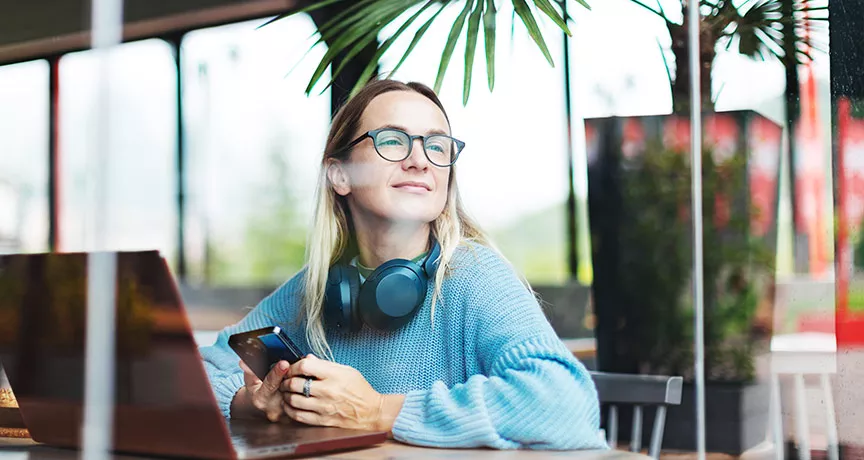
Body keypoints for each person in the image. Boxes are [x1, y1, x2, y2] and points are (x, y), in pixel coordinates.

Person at [199, 79, 606, 450]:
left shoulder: (475, 276)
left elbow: (567, 403)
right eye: (393, 141)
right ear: (340, 175)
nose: (420, 161)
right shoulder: (316, 290)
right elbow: (189, 376)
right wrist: (251, 403)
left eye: (436, 145)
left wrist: (377, 411)